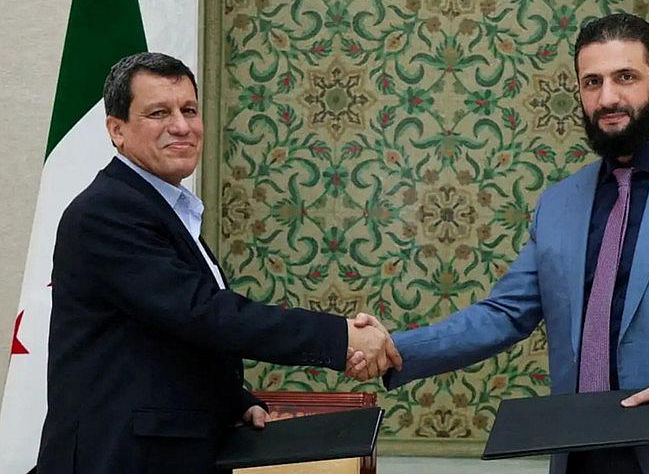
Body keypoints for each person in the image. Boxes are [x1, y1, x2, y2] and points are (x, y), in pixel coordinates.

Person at [350, 13, 649, 474]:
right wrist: (394, 348)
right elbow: (504, 314)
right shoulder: (558, 203)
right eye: (593, 82)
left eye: (625, 77)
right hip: (580, 456)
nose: (608, 98)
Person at [36, 52, 400, 474]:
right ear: (117, 130)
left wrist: (233, 401)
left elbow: (170, 340)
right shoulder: (106, 212)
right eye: (159, 113)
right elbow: (202, 314)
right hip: (119, 457)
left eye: (189, 110)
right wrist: (340, 338)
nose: (181, 126)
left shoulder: (160, 206)